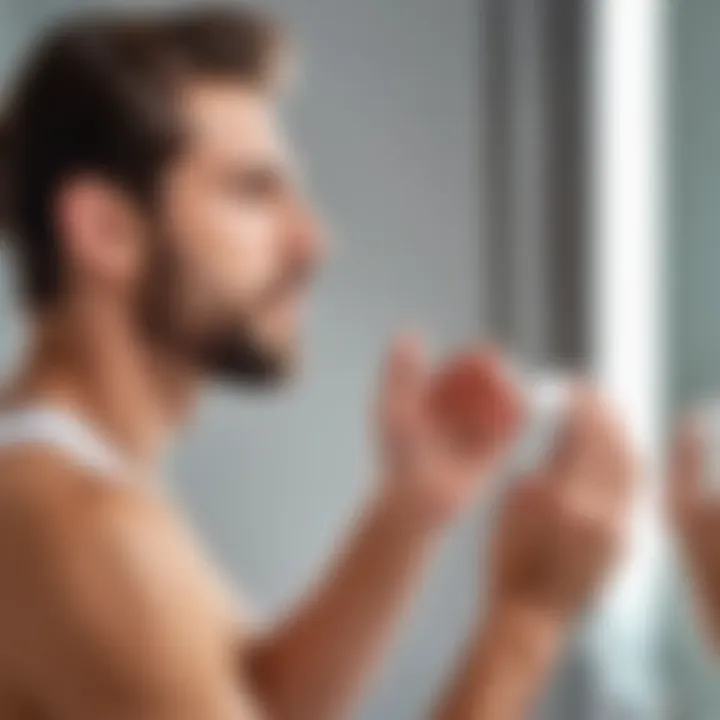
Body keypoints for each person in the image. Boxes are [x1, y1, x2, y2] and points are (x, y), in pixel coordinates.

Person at [0, 6, 636, 718]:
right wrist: (529, 619)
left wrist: (410, 510)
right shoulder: (82, 534)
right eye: (252, 191)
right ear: (106, 230)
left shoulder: (65, 485)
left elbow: (257, 699)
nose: (312, 243)